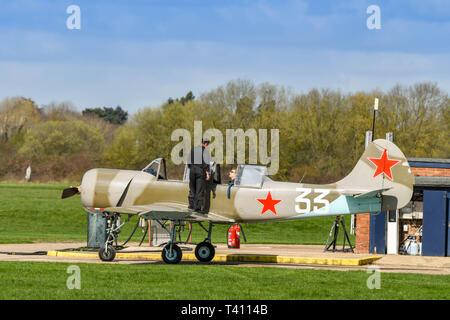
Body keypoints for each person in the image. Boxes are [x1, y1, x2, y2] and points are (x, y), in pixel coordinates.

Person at [187, 138, 211, 213]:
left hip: (192, 170)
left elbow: (188, 161)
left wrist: (191, 168)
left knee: (192, 188)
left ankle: (191, 205)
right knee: (199, 190)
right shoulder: (206, 152)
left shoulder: (193, 149)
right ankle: (197, 208)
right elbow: (206, 163)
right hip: (200, 171)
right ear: (206, 143)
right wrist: (207, 173)